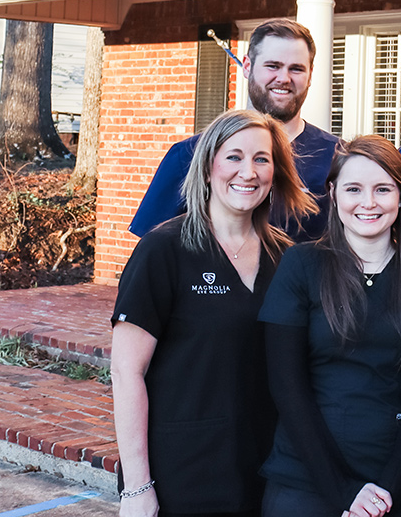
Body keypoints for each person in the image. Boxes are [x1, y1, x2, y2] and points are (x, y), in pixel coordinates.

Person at [110, 108, 319, 517]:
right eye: (234, 156)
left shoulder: (289, 259)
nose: (249, 171)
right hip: (182, 472)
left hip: (267, 474)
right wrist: (136, 487)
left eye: (262, 159)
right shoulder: (163, 250)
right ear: (208, 168)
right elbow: (125, 372)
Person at [260, 135, 401, 517]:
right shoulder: (301, 266)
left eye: (383, 189)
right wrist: (345, 492)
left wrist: (386, 491)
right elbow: (287, 386)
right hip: (308, 480)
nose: (368, 202)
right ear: (333, 193)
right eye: (353, 189)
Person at [130, 18, 338, 239]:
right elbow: (153, 254)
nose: (284, 78)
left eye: (296, 69)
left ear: (310, 75)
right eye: (273, 66)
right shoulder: (190, 154)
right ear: (247, 67)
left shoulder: (337, 157)